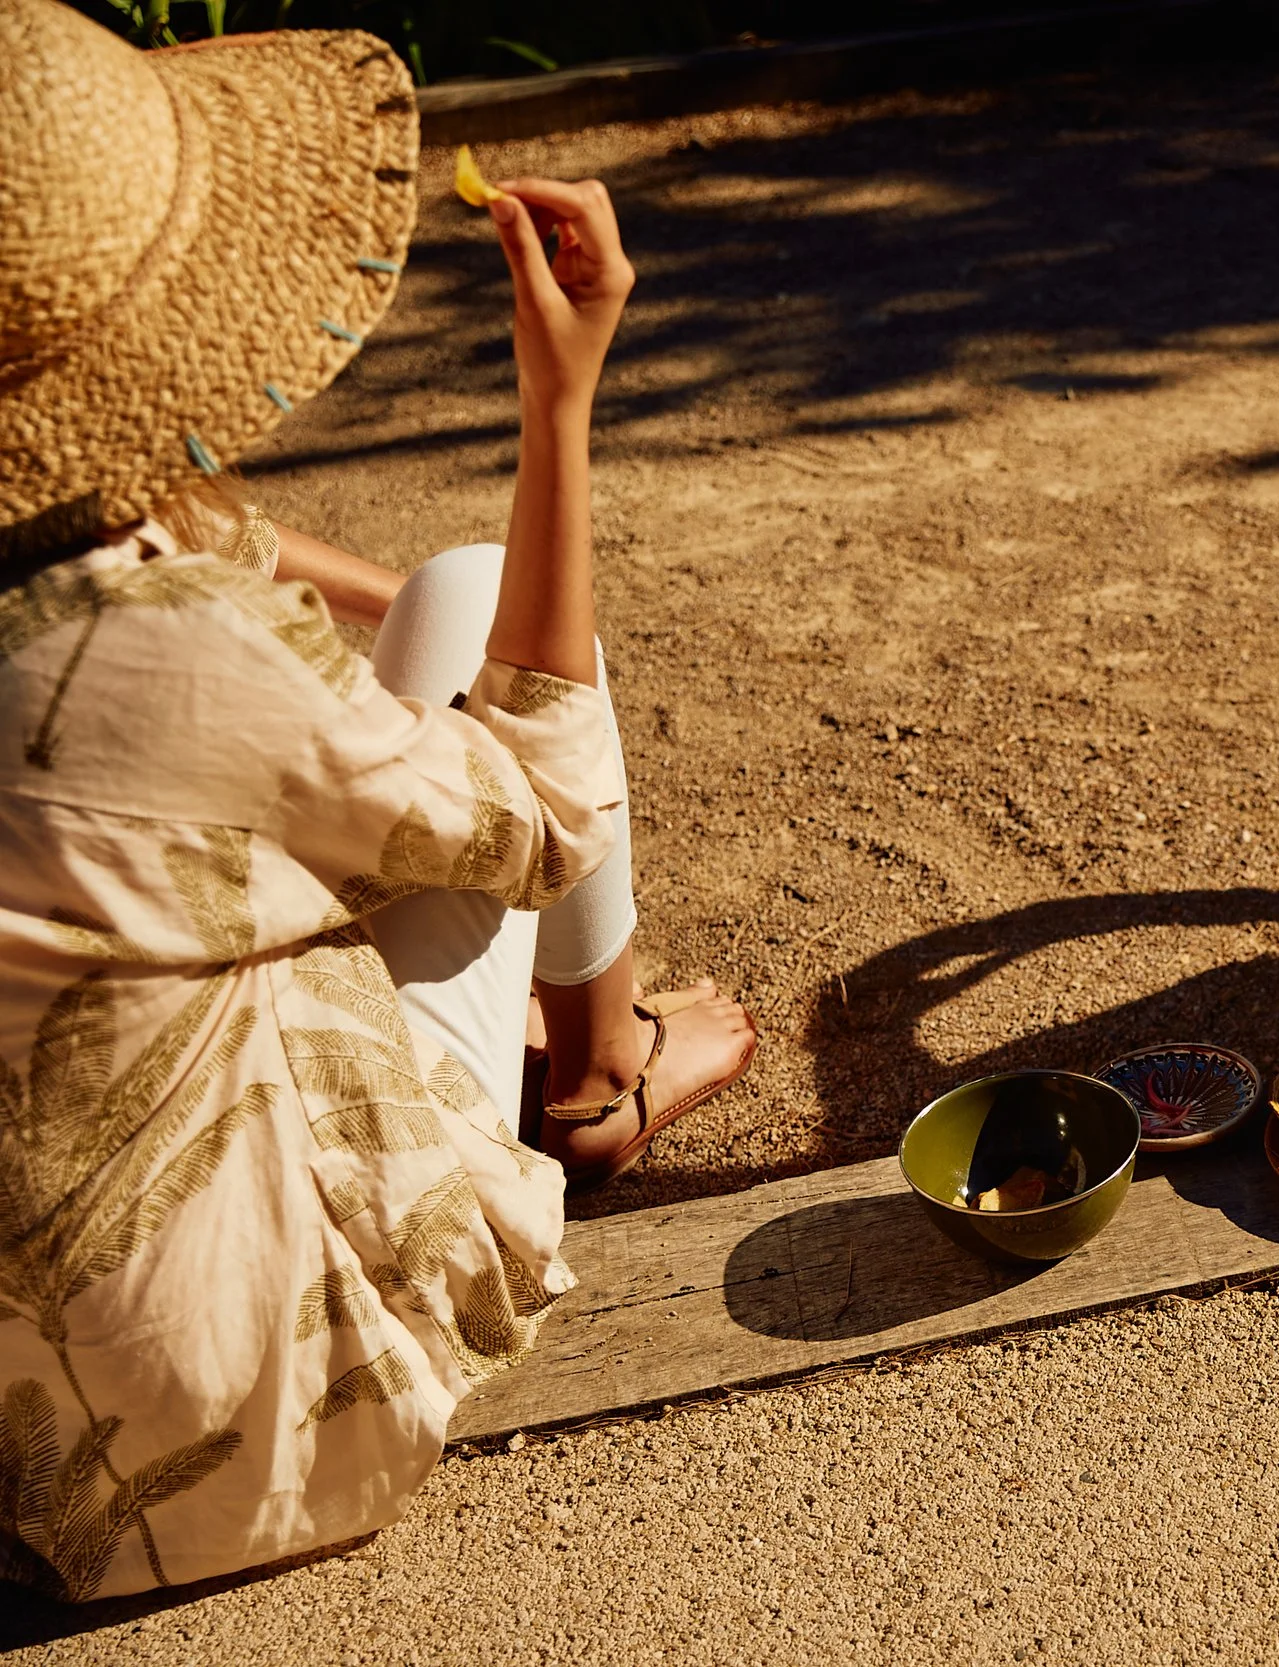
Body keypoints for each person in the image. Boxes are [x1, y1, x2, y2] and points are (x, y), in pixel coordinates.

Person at [0, 1, 752, 1599]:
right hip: (239, 1420)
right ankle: (597, 1083)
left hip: (18, 1435)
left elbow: (167, 527)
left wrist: (391, 602)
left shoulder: (67, 576)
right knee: (496, 612)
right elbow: (544, 804)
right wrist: (559, 401)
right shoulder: (153, 648)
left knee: (442, 606)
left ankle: (580, 1054)